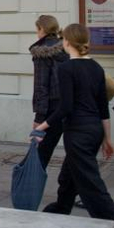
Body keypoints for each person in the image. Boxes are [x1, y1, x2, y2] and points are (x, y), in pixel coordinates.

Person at [35, 24, 114, 228]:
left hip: (78, 132)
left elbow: (66, 107)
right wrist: (107, 138)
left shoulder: (66, 68)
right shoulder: (96, 67)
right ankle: (60, 209)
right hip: (94, 131)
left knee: (92, 187)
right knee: (68, 176)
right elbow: (103, 107)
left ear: (67, 42)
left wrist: (42, 125)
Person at [29, 15, 69, 167]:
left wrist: (39, 117)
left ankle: (30, 185)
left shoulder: (42, 52)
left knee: (41, 152)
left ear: (42, 29)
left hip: (51, 108)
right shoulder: (66, 47)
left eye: (37, 29)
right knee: (73, 152)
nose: (37, 33)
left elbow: (41, 85)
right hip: (68, 104)